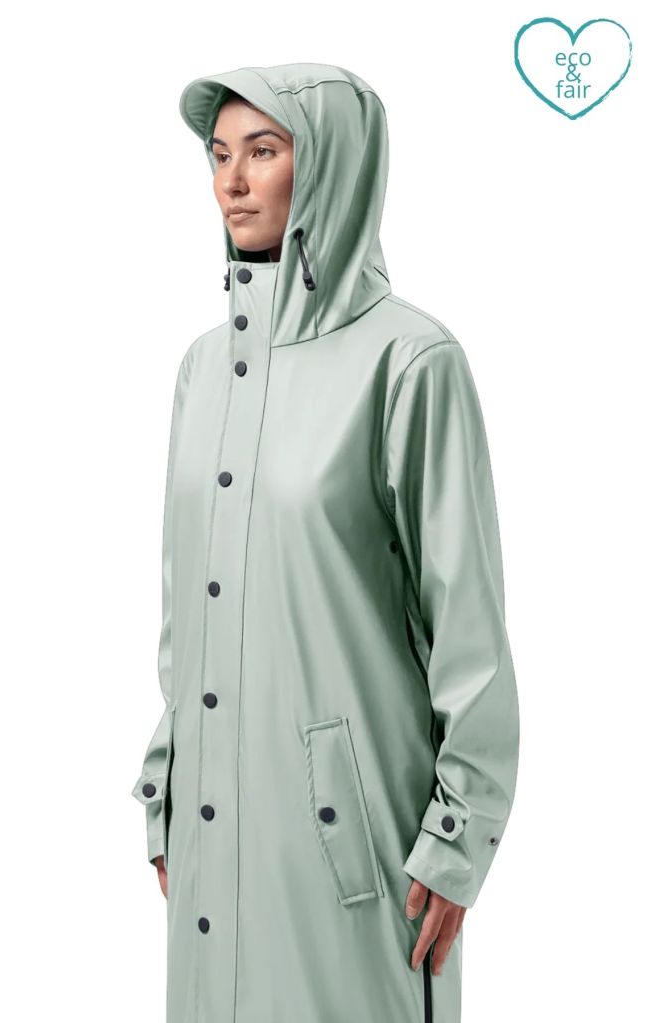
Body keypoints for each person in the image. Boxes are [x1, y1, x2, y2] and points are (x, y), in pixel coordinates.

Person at [131, 62, 520, 1023]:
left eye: (263, 152)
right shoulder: (201, 370)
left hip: (356, 849)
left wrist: (459, 840)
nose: (232, 182)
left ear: (334, 165)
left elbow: (468, 631)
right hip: (213, 832)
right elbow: (185, 607)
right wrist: (166, 783)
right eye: (220, 155)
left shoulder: (410, 360)